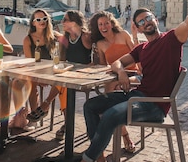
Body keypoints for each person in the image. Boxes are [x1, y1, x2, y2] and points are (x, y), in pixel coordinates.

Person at [42, 0, 188, 162]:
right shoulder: (142, 49)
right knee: (91, 106)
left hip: (156, 105)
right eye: (141, 22)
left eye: (148, 18)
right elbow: (118, 62)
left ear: (155, 19)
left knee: (112, 114)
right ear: (137, 27)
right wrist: (120, 73)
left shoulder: (172, 39)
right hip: (137, 96)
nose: (146, 22)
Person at [28, 9, 93, 140]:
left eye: (65, 20)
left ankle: (46, 106)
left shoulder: (86, 37)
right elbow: (61, 59)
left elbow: (96, 60)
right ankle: (67, 123)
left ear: (74, 22)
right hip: (68, 75)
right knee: (62, 84)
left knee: (62, 83)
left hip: (84, 76)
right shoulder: (65, 38)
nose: (62, 22)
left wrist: (84, 68)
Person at [89, 10, 138, 153]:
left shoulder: (123, 35)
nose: (103, 27)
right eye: (100, 24)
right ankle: (123, 136)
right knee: (110, 101)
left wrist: (134, 36)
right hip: (114, 76)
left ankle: (123, 137)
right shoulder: (100, 43)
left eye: (106, 23)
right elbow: (104, 65)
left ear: (111, 24)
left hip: (132, 74)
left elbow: (138, 53)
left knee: (109, 104)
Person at [21, 9, 62, 130]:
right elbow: (30, 62)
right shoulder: (28, 39)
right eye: (38, 19)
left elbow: (59, 56)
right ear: (33, 23)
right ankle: (34, 116)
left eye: (44, 19)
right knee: (30, 81)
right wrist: (39, 78)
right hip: (36, 71)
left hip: (52, 71)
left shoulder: (54, 36)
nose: (42, 22)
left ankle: (46, 104)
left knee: (63, 79)